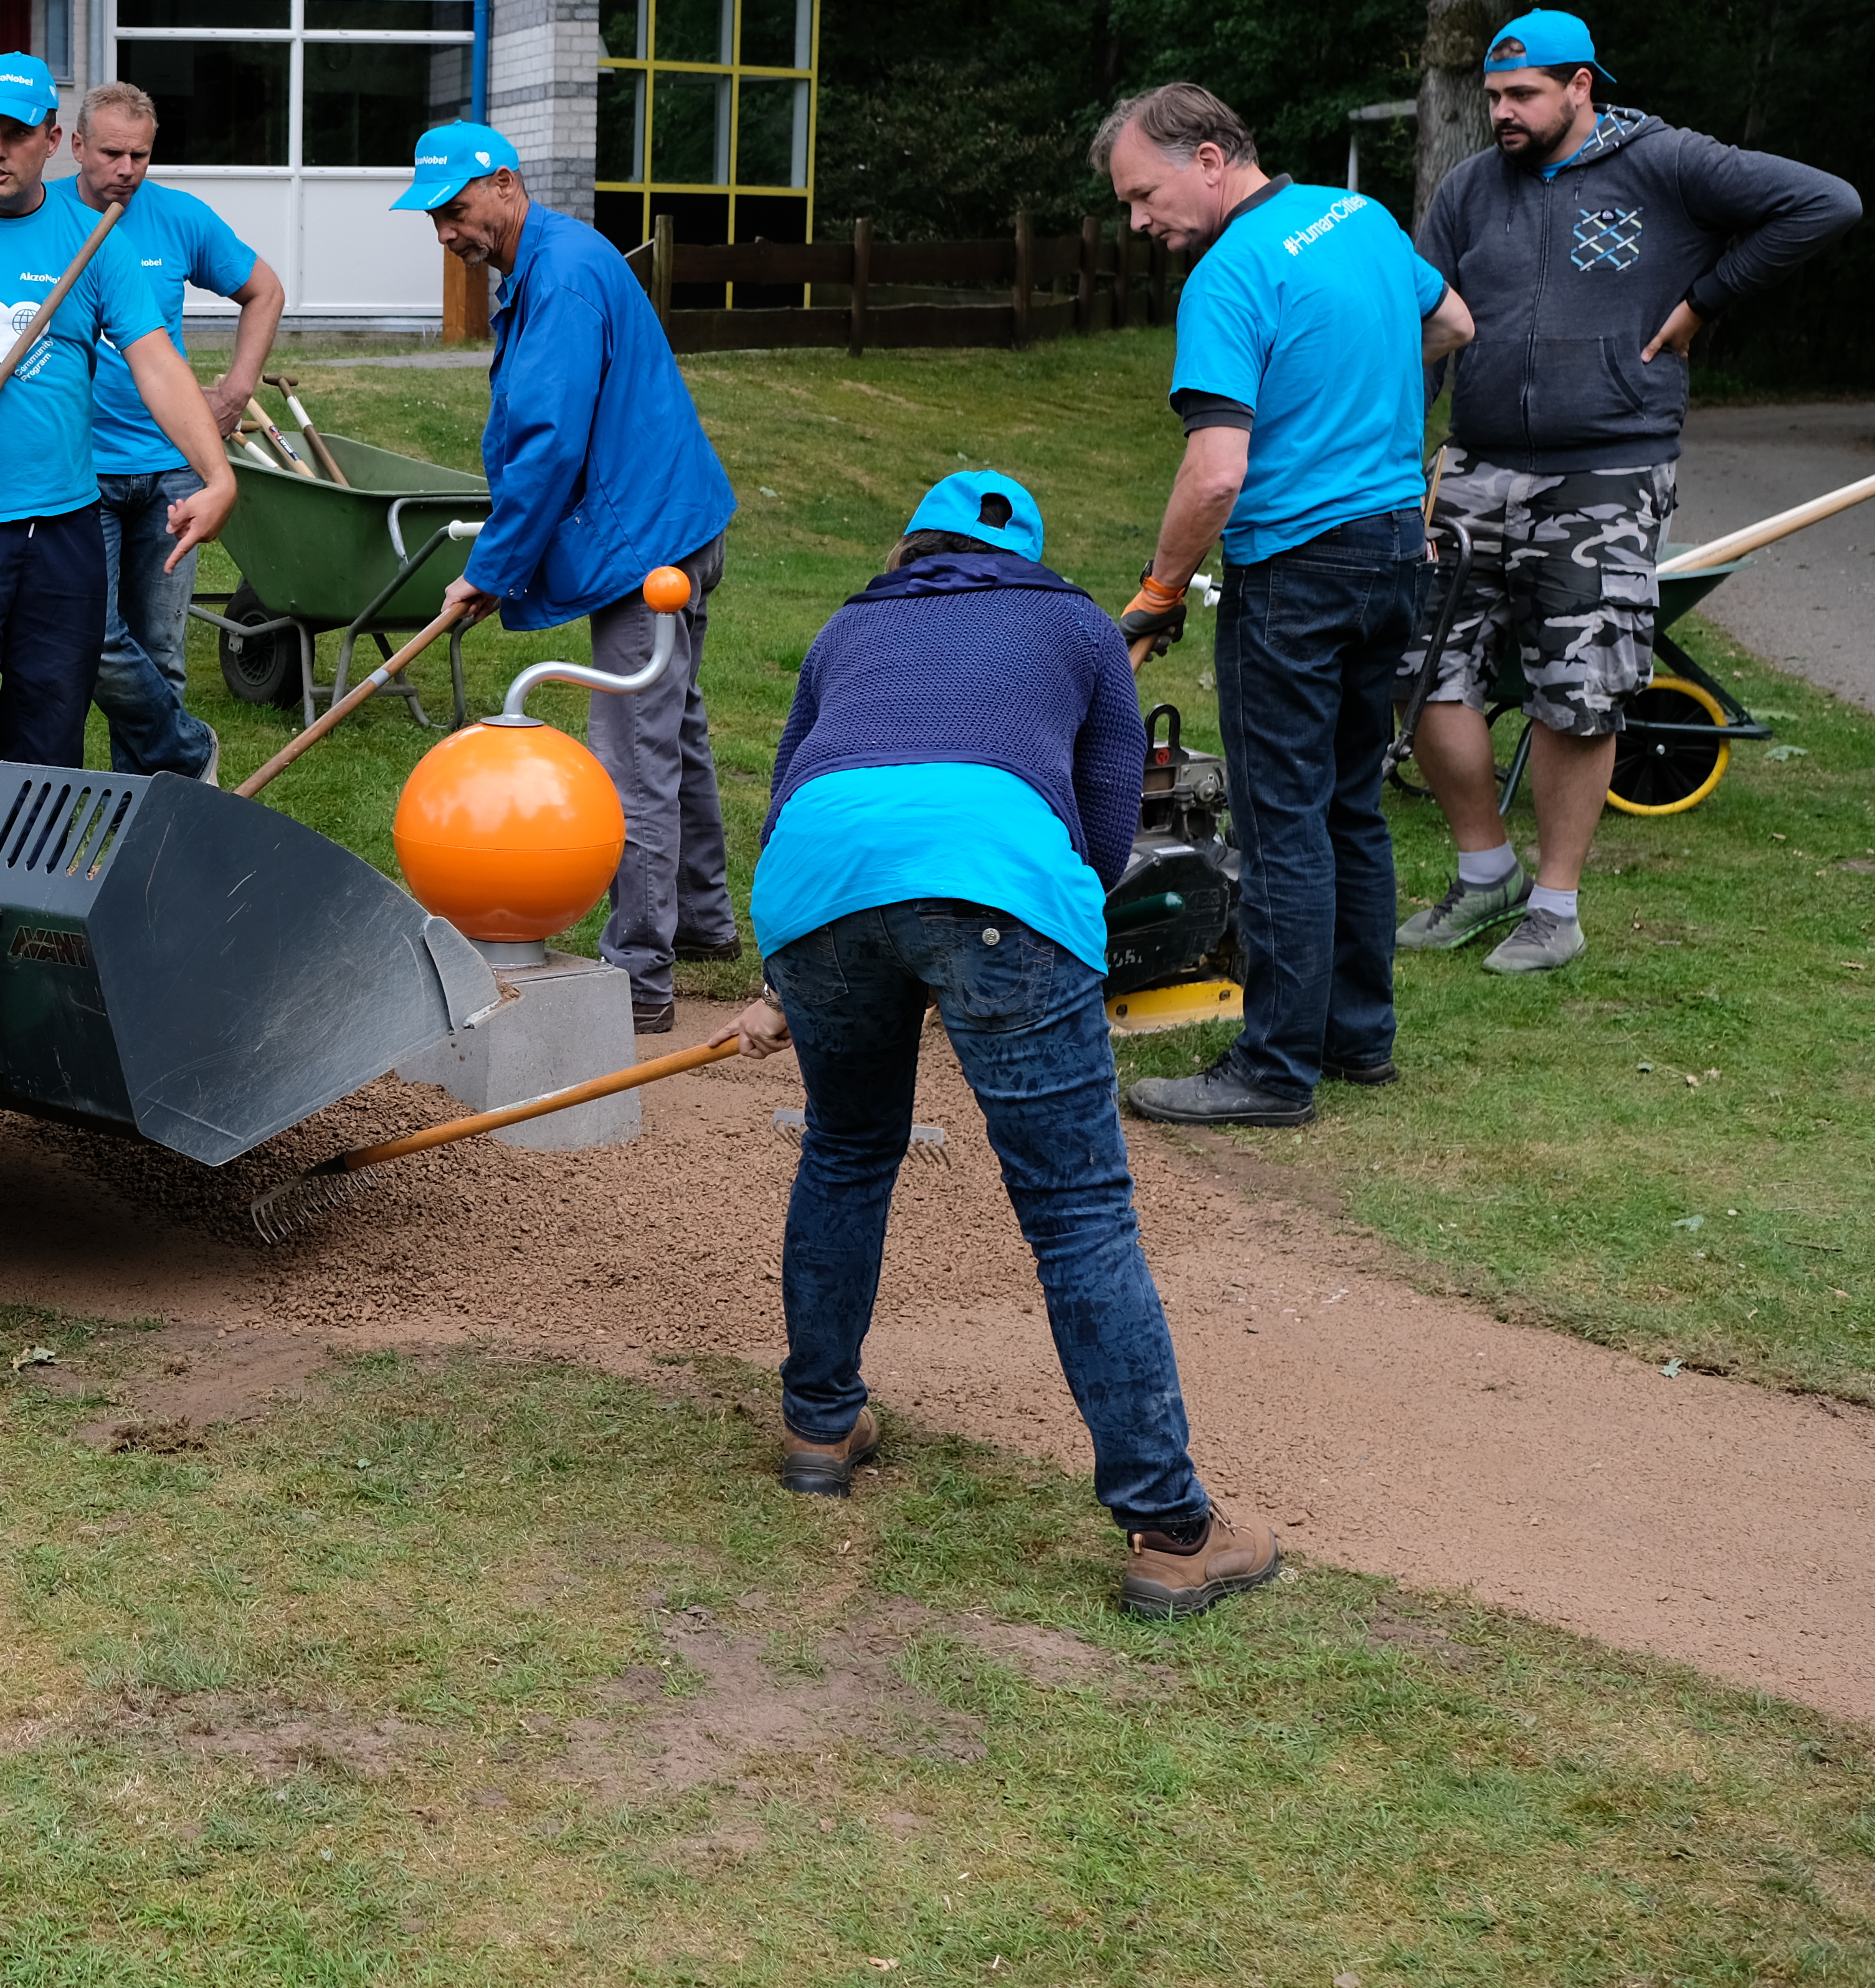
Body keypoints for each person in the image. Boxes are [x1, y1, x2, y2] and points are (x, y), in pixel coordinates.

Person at [723, 470, 1279, 1620]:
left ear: (909, 544)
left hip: (815, 886)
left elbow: (795, 792)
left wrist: (788, 982)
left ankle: (820, 1426)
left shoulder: (849, 626)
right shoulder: (1075, 621)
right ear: (1030, 555)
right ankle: (1173, 1530)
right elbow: (1110, 810)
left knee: (846, 1148)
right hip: (996, 890)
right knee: (1077, 1212)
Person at [1398, 11, 1860, 974]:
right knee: (1423, 665)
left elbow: (1828, 203)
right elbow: (1423, 320)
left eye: (1523, 95)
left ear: (1581, 88)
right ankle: (1487, 871)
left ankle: (1556, 909)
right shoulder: (1471, 190)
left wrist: (1704, 300)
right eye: (1492, 97)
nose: (1503, 114)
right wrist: (1406, 459)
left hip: (1607, 466)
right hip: (1477, 464)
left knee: (1581, 689)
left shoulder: (1668, 164)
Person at [1098, 83, 1474, 1128]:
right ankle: (1358, 1040)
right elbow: (1451, 321)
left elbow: (1216, 474)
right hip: (1397, 551)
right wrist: (1360, 400)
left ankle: (1273, 1071)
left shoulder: (1229, 274)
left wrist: (1160, 592)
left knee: (1282, 823)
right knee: (1351, 800)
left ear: (1210, 160)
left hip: (1300, 572)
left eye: (1143, 193)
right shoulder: (1362, 219)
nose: (1139, 221)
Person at [411, 120, 739, 1030]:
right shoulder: (550, 260)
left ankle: (639, 978)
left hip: (648, 544)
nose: (446, 231)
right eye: (434, 218)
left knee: (634, 756)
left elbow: (550, 447)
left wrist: (490, 571)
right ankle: (703, 921)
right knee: (676, 729)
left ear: (506, 185)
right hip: (674, 521)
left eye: (456, 209)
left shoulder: (558, 277)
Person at [0, 82, 287, 782]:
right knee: (42, 677)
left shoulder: (142, 229)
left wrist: (227, 432)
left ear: (50, 140)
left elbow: (193, 337)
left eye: (141, 155)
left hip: (119, 489)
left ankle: (143, 805)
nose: (127, 168)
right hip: (16, 497)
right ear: (78, 148)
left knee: (130, 670)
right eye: (114, 152)